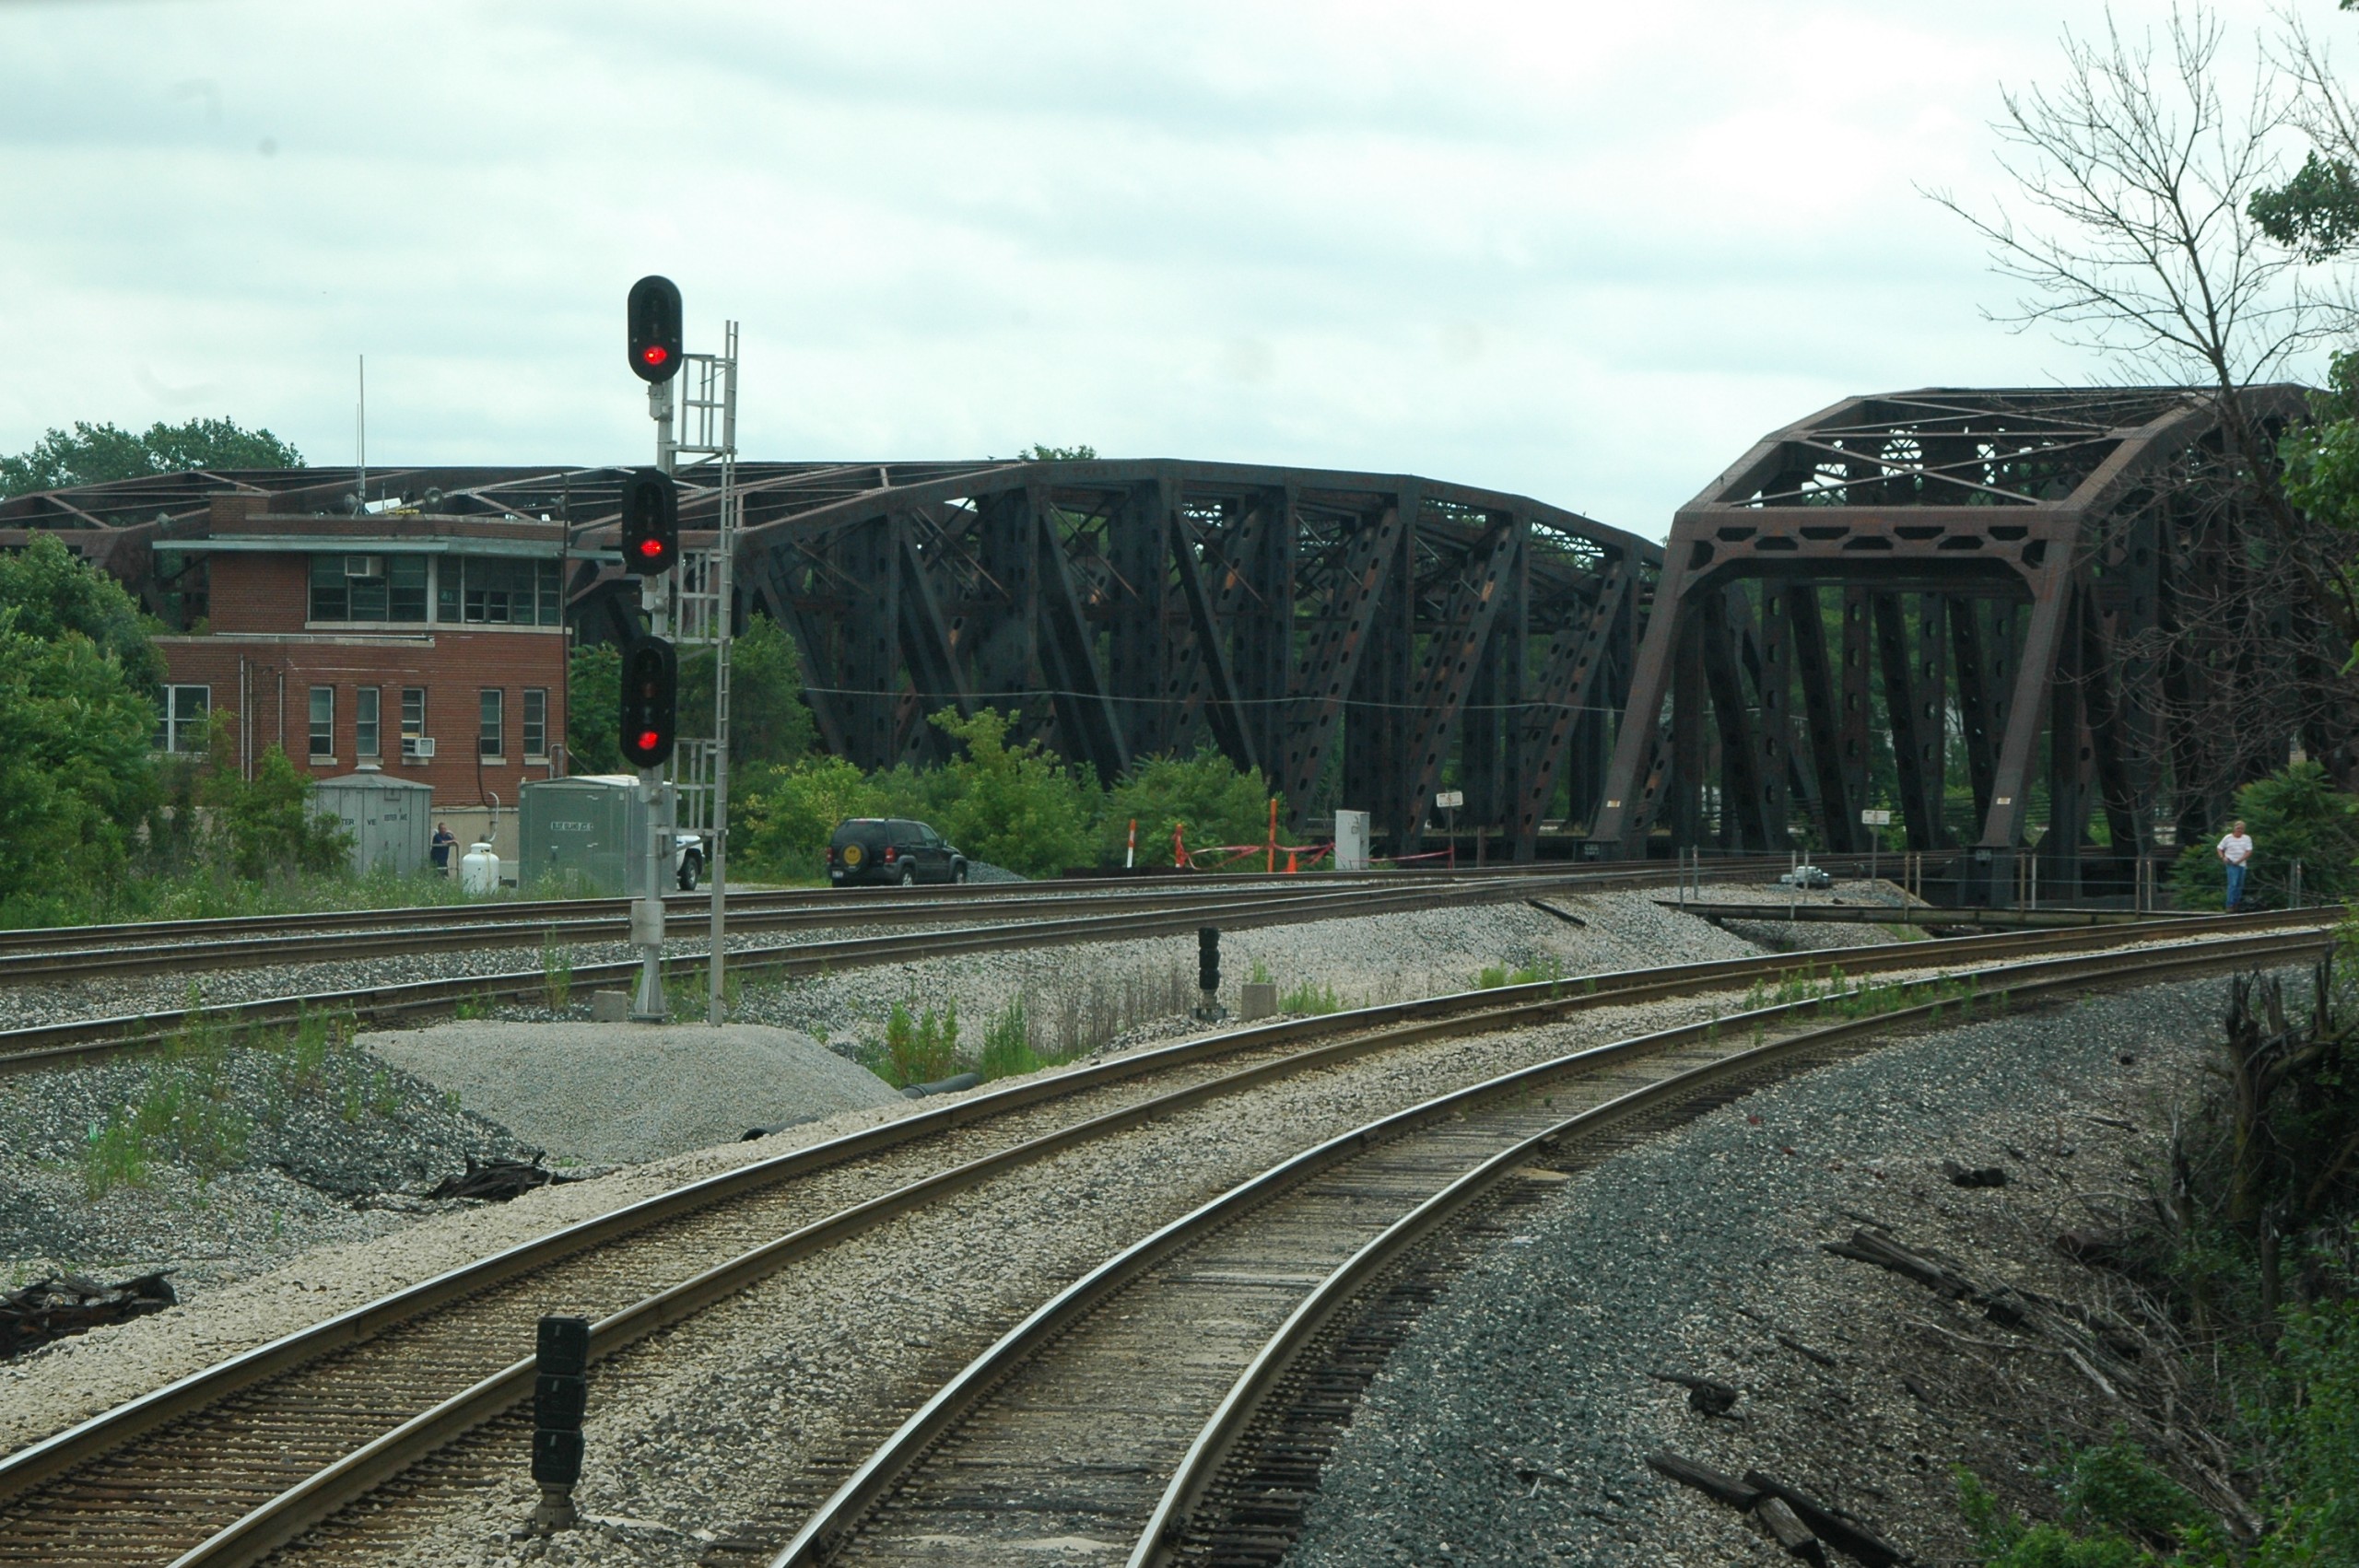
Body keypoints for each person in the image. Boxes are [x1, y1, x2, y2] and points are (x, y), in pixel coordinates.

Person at [2217, 818, 2254, 911]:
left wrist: (2240, 860)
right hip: (2231, 863)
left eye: (2241, 829)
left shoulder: (2247, 838)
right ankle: (2230, 904)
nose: (2239, 830)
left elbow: (2249, 851)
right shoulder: (2228, 837)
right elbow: (2219, 848)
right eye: (2238, 828)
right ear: (2234, 828)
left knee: (2239, 884)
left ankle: (2236, 904)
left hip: (2241, 864)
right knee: (2232, 884)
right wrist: (2223, 857)